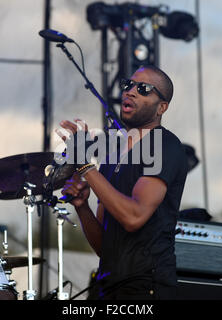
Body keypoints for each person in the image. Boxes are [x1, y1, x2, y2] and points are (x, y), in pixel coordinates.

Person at [58, 65, 188, 300]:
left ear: (162, 107)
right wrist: (82, 206)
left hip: (146, 286)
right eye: (128, 85)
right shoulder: (111, 155)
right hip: (108, 285)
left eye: (144, 88)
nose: (130, 91)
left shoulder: (165, 146)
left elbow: (133, 217)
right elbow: (103, 247)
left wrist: (85, 166)